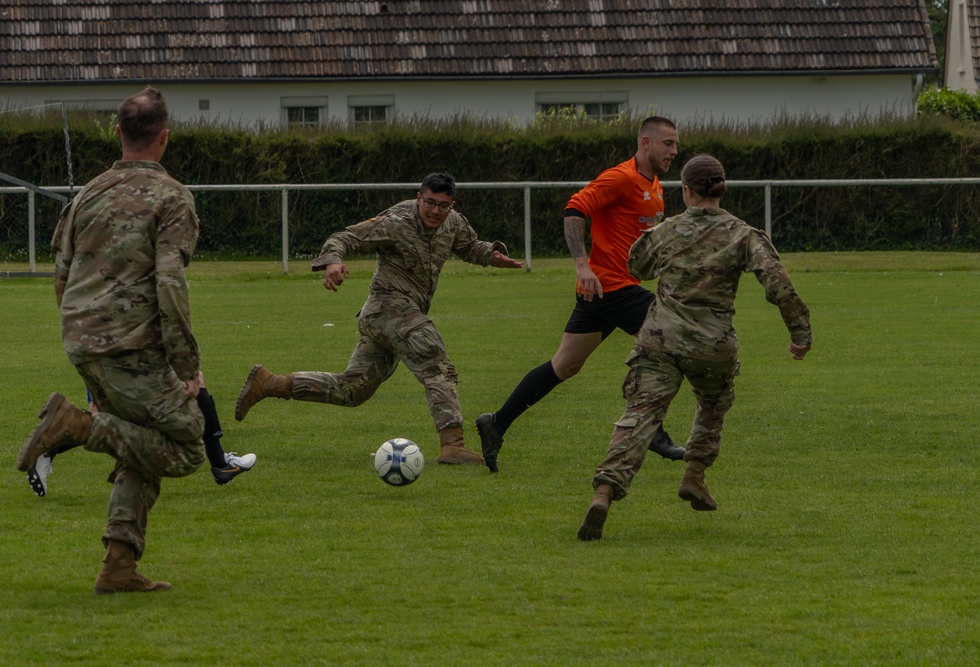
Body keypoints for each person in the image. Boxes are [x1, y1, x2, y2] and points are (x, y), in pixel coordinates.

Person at [16, 86, 207, 593]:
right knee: (188, 445)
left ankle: (118, 566)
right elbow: (170, 283)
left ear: (118, 133)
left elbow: (61, 274)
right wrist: (188, 369)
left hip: (81, 338)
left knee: (142, 441)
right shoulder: (173, 197)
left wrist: (82, 341)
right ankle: (80, 427)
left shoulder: (88, 194)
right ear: (164, 138)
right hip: (131, 347)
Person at [577, 154, 813, 541]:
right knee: (713, 404)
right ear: (721, 188)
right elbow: (778, 284)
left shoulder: (667, 231)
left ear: (685, 190)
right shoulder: (743, 233)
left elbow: (636, 266)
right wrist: (800, 332)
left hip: (660, 339)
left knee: (640, 413)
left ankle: (604, 492)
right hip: (712, 343)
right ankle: (695, 474)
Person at [234, 172, 524, 465]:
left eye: (443, 205)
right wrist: (333, 261)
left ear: (452, 204)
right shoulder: (396, 222)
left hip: (396, 317)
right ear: (418, 197)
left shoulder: (453, 222)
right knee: (435, 360)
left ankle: (271, 383)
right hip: (388, 308)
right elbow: (345, 237)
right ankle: (453, 444)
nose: (436, 211)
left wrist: (492, 255)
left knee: (353, 389)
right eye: (430, 203)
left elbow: (469, 246)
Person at [475, 116, 685, 472]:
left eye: (677, 145)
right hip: (610, 287)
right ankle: (652, 429)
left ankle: (496, 423)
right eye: (668, 144)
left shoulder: (656, 185)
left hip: (605, 292)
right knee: (672, 338)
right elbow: (574, 210)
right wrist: (581, 265)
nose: (675, 151)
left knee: (565, 365)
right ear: (646, 142)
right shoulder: (621, 177)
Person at [26, 377, 256, 497]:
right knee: (101, 416)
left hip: (129, 338)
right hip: (115, 343)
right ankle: (48, 446)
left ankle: (221, 464)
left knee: (195, 383)